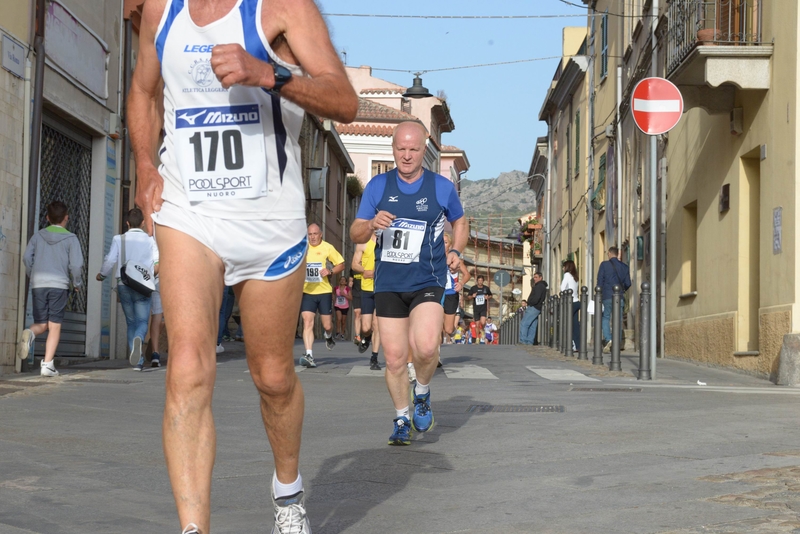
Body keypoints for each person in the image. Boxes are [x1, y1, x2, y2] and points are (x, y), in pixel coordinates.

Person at [127, 0, 358, 530]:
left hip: (269, 221)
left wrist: (269, 74)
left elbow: (343, 100)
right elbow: (143, 90)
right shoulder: (162, 11)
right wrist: (144, 163)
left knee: (273, 377)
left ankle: (288, 493)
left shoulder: (282, 9)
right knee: (186, 367)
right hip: (190, 212)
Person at [350, 120, 467, 447]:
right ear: (393, 149)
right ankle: (402, 417)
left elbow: (459, 220)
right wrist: (372, 223)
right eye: (400, 149)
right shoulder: (378, 186)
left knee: (428, 346)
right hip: (388, 284)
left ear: (424, 151)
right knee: (396, 358)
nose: (406, 155)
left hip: (427, 279)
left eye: (413, 149)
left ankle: (423, 392)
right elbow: (355, 232)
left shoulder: (440, 187)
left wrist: (456, 249)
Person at [18, 201, 84, 377]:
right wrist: (77, 283)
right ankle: (47, 365)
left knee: (41, 323)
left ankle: (30, 333)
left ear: (47, 218)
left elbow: (26, 257)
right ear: (66, 218)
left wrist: (33, 274)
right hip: (58, 285)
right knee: (54, 326)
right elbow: (76, 266)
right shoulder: (71, 239)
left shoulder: (37, 236)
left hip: (38, 284)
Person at [96, 208, 159, 371]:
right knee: (143, 321)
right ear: (143, 223)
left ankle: (136, 360)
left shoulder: (119, 239)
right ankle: (139, 340)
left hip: (123, 284)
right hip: (142, 286)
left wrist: (102, 275)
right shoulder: (150, 240)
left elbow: (110, 260)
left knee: (131, 322)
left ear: (127, 223)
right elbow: (157, 265)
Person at [300, 223, 345, 367]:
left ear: (321, 234)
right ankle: (309, 355)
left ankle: (329, 335)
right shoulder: (302, 247)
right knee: (307, 322)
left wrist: (330, 271)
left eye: (315, 234)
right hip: (307, 291)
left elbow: (341, 264)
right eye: (310, 234)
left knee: (327, 325)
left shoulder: (327, 247)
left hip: (324, 291)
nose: (312, 237)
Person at [351, 233, 382, 370]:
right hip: (367, 288)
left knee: (377, 324)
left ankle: (374, 357)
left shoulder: (388, 242)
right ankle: (367, 337)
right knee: (366, 327)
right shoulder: (363, 242)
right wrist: (366, 271)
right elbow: (354, 264)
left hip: (382, 288)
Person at [597, 246, 632, 352]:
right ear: (618, 254)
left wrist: (599, 293)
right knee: (618, 319)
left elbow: (600, 281)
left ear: (609, 253)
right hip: (619, 296)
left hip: (607, 296)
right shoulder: (624, 267)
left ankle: (608, 339)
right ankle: (617, 342)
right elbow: (628, 283)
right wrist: (621, 290)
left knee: (606, 317)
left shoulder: (604, 265)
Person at [442, 232, 471, 347]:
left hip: (451, 293)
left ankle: (455, 332)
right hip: (437, 292)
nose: (443, 245)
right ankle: (436, 356)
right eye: (441, 242)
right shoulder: (434, 258)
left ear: (450, 245)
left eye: (445, 242)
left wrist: (461, 283)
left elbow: (467, 274)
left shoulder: (457, 260)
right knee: (436, 326)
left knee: (448, 329)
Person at [520, 272, 547, 344]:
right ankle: (529, 342)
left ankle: (523, 341)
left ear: (540, 278)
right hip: (537, 308)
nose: (534, 279)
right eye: (534, 277)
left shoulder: (539, 286)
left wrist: (530, 303)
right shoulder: (542, 286)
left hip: (533, 307)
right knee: (532, 326)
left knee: (524, 323)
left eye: (536, 277)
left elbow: (537, 297)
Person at [561, 260, 580, 351]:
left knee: (569, 324)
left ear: (567, 267)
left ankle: (571, 344)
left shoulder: (567, 275)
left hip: (570, 302)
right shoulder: (575, 276)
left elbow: (562, 288)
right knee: (575, 324)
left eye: (563, 266)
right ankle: (578, 345)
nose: (562, 268)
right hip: (577, 301)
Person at [149, 274, 164, 366]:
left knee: (156, 316)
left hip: (156, 282)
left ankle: (155, 353)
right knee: (172, 318)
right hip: (173, 282)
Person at [333, 276, 351, 340]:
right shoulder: (336, 288)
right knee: (339, 318)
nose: (342, 281)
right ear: (339, 281)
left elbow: (351, 298)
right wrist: (334, 300)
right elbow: (333, 294)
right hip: (337, 305)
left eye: (344, 280)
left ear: (346, 282)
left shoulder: (347, 289)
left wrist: (344, 295)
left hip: (345, 306)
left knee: (343, 321)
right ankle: (337, 333)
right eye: (341, 280)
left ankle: (342, 334)